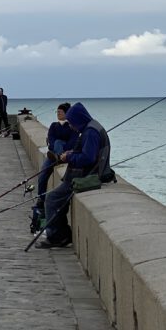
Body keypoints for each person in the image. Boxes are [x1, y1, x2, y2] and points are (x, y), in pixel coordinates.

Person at [36, 101, 113, 249]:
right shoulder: (91, 127)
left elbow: (88, 158)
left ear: (78, 119)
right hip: (83, 173)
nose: (70, 125)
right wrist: (71, 153)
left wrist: (68, 157)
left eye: (71, 122)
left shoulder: (90, 132)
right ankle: (62, 234)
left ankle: (57, 237)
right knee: (58, 201)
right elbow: (86, 153)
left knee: (52, 199)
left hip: (86, 176)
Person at [36, 103, 76, 202]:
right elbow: (51, 140)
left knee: (59, 142)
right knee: (42, 176)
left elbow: (72, 143)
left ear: (66, 113)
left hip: (65, 155)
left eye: (60, 112)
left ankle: (58, 157)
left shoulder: (72, 127)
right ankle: (41, 199)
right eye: (57, 112)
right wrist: (56, 148)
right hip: (53, 155)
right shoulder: (54, 126)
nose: (58, 113)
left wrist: (62, 149)